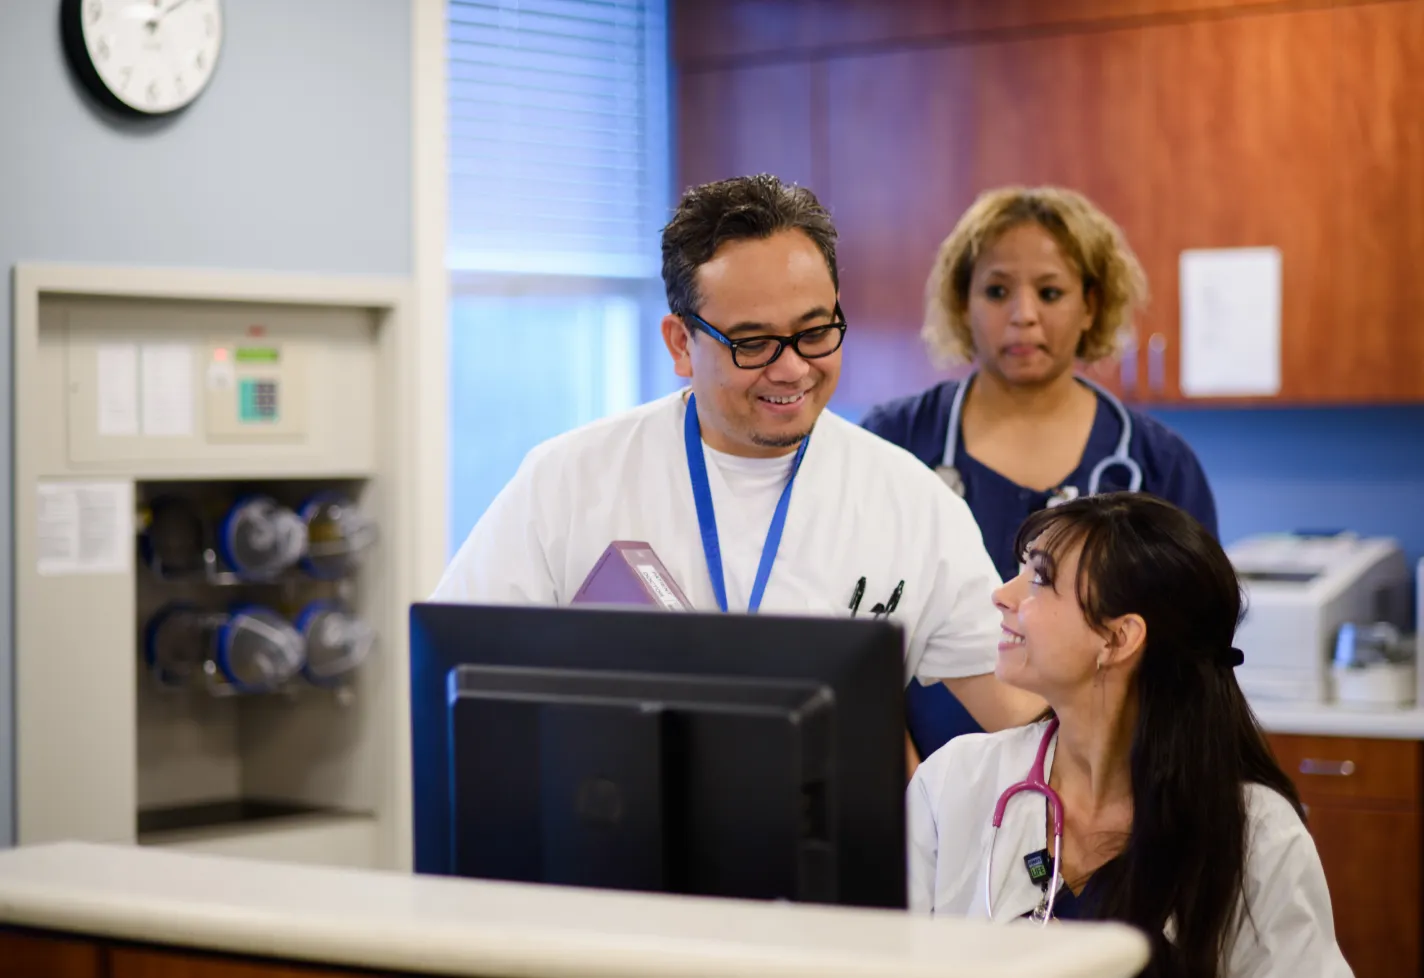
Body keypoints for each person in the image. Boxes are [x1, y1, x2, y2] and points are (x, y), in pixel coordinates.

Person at [432, 174, 1043, 735]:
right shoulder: (569, 481)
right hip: (612, 827)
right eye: (752, 343)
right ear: (680, 342)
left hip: (825, 840)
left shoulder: (913, 503)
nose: (793, 368)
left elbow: (1019, 718)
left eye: (815, 332)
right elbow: (452, 674)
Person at [908, 493, 1352, 978]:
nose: (1002, 595)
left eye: (1038, 578)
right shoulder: (954, 783)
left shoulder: (1258, 835)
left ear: (1117, 639)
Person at [861, 186, 1218, 763]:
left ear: (1091, 305)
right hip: (916, 785)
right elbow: (849, 628)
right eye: (997, 290)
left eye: (1050, 292)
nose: (1023, 314)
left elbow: (1191, 656)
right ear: (963, 303)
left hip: (1108, 786)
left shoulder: (1156, 466)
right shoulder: (894, 444)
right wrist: (899, 782)